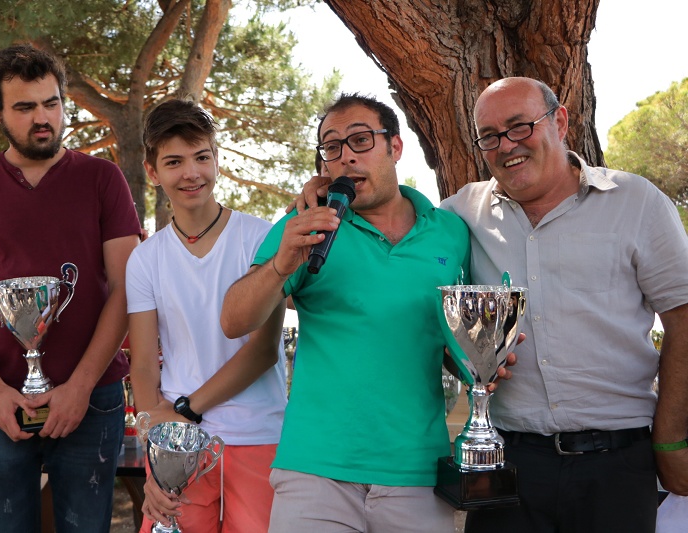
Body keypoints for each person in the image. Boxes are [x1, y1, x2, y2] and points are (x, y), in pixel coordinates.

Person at [439, 76, 688, 533]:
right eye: (489, 136)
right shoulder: (460, 213)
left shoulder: (637, 203)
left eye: (520, 126)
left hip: (618, 466)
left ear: (560, 121)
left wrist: (670, 440)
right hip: (506, 464)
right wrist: (327, 188)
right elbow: (396, 219)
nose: (506, 145)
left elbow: (684, 319)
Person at [220, 93, 471, 532]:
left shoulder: (449, 230)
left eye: (360, 140)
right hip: (314, 472)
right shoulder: (306, 223)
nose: (346, 157)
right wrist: (282, 263)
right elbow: (234, 320)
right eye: (331, 147)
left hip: (417, 472)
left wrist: (485, 369)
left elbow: (461, 338)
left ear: (395, 147)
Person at [0, 44, 141, 533]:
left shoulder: (103, 179)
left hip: (92, 399)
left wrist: (81, 387)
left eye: (51, 103)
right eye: (25, 107)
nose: (42, 118)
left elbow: (129, 287)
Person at [126, 98, 287, 532]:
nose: (191, 173)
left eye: (201, 157)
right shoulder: (145, 259)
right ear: (153, 171)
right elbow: (142, 364)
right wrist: (154, 445)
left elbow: (263, 351)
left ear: (217, 159)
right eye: (174, 162)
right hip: (179, 447)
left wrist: (186, 410)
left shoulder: (262, 239)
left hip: (256, 434)